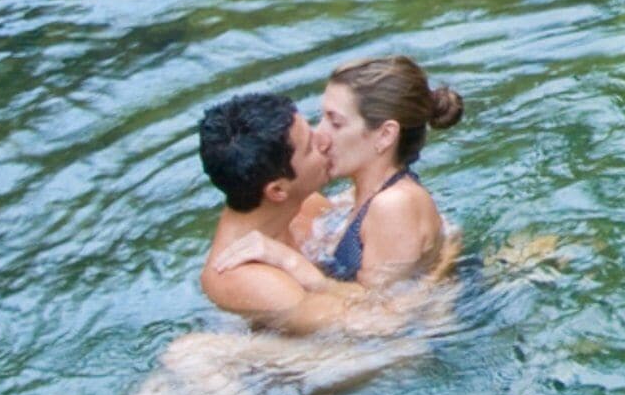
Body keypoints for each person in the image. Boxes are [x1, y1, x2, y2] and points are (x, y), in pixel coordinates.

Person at [189, 91, 364, 333]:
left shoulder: (305, 205)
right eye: (310, 147)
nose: (324, 140)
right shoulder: (249, 279)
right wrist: (293, 263)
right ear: (278, 190)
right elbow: (377, 324)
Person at [301, 54, 459, 289]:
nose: (318, 136)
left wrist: (290, 264)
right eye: (322, 118)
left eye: (335, 123)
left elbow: (385, 310)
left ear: (385, 135)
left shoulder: (394, 205)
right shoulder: (352, 199)